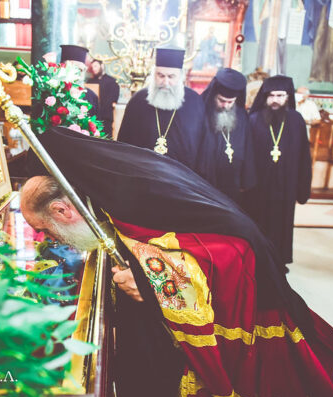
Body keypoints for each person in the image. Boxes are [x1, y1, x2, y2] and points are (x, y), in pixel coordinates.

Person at [21, 127, 333, 397]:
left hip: (250, 269)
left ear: (63, 210)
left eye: (45, 230)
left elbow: (225, 248)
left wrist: (148, 280)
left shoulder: (127, 196)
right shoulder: (106, 189)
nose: (50, 240)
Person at [247, 75, 312, 266]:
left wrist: (302, 187)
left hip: (286, 185)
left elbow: (304, 156)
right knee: (258, 222)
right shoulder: (254, 119)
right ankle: (257, 260)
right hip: (259, 186)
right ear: (265, 97)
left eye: (280, 95)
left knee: (281, 223)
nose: (275, 100)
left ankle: (278, 261)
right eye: (271, 95)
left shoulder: (296, 120)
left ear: (288, 97)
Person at [117, 47, 206, 172]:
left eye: (171, 77)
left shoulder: (194, 102)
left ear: (181, 77)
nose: (165, 82)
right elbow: (124, 144)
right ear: (154, 75)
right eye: (161, 75)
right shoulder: (138, 101)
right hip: (143, 175)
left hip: (181, 177)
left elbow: (202, 147)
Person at [198, 68, 256, 212]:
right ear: (214, 95)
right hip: (206, 181)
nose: (225, 106)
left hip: (233, 182)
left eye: (230, 102)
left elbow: (248, 148)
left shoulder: (241, 115)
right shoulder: (201, 112)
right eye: (221, 100)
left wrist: (246, 180)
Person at [59, 45, 99, 118]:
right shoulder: (51, 94)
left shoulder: (91, 96)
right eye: (75, 68)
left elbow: (95, 122)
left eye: (81, 70)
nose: (78, 74)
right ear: (62, 68)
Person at [87, 59, 120, 135]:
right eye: (92, 67)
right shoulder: (90, 82)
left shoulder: (112, 81)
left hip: (106, 117)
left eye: (96, 66)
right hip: (93, 117)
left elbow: (113, 99)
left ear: (102, 66)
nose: (94, 69)